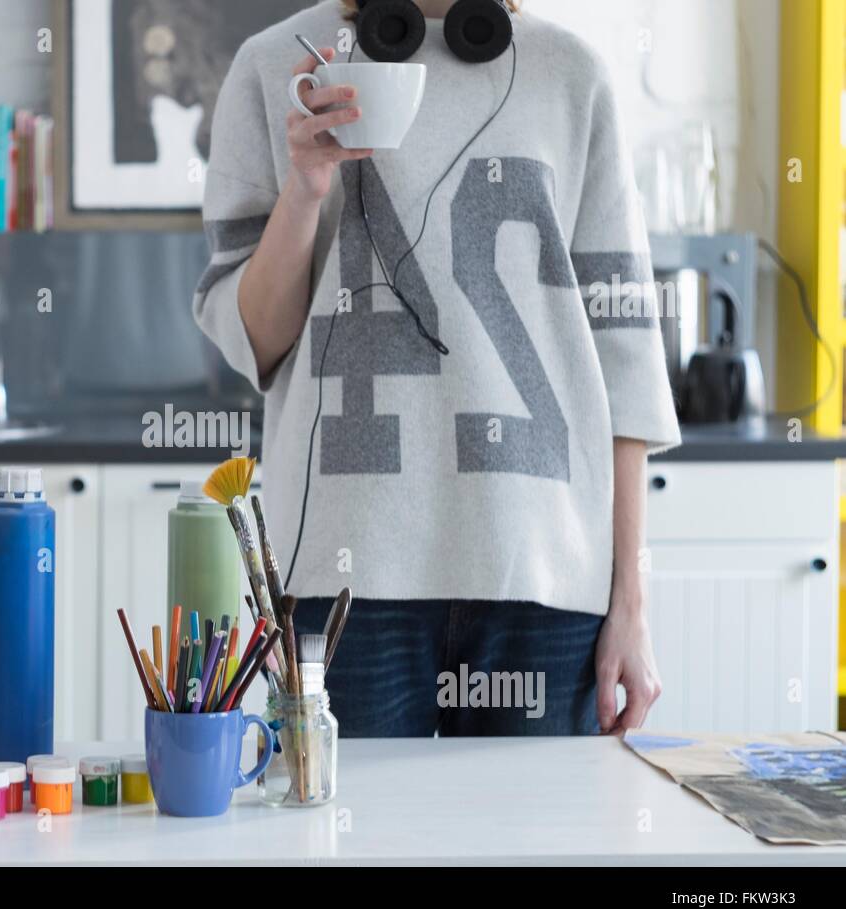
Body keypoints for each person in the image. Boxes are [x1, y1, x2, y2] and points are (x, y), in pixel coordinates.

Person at [193, 0, 681, 736]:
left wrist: (632, 607)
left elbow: (626, 359)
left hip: (540, 574)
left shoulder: (573, 76)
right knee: (343, 847)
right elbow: (254, 342)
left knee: (540, 849)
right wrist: (306, 188)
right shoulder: (274, 70)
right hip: (342, 576)